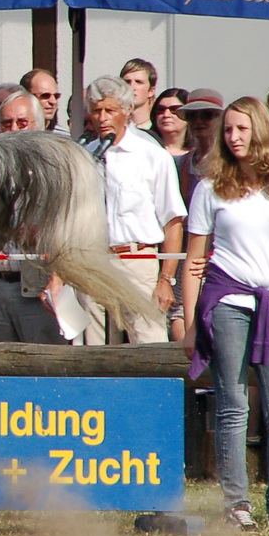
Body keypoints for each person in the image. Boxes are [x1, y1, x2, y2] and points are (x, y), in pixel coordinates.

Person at [181, 96, 269, 532]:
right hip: (227, 304)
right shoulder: (210, 188)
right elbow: (194, 259)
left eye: (242, 129)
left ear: (261, 132)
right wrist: (188, 322)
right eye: (228, 130)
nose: (234, 138)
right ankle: (236, 503)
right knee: (233, 405)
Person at [81, 76, 184, 345]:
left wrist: (166, 279)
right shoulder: (85, 157)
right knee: (95, 347)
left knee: (148, 342)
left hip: (137, 260)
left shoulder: (151, 155)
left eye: (110, 110)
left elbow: (173, 220)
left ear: (127, 110)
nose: (102, 118)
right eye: (96, 110)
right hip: (94, 262)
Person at [0, 92, 66, 345]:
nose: (14, 129)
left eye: (21, 122)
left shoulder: (54, 170)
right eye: (6, 123)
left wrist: (56, 278)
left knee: (44, 367)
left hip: (37, 288)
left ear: (38, 126)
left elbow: (68, 230)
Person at [20, 68, 66, 133]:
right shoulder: (15, 133)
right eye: (45, 96)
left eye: (56, 96)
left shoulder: (64, 137)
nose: (53, 101)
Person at [119, 58, 158, 131]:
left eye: (139, 82)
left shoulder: (159, 130)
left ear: (151, 91)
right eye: (127, 82)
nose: (132, 87)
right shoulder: (116, 130)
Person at [151, 87, 188, 155]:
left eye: (174, 109)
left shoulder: (199, 154)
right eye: (161, 109)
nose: (166, 115)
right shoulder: (144, 149)